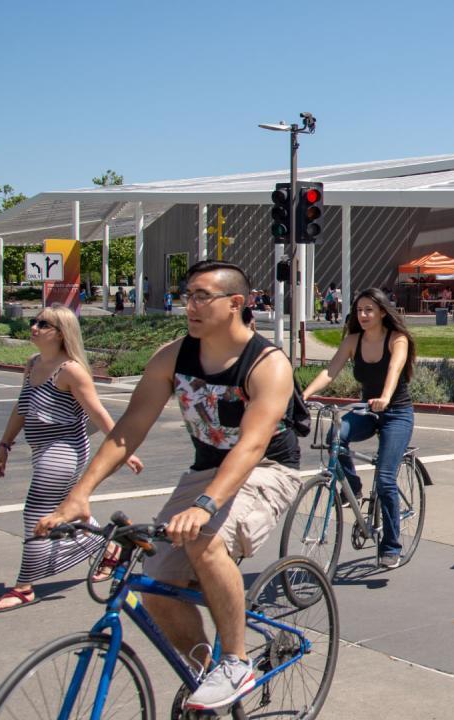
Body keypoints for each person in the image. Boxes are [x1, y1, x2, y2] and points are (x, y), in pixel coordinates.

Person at [36, 261, 303, 712]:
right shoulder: (173, 357)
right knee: (155, 580)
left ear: (236, 303)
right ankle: (205, 670)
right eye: (188, 296)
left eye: (202, 296)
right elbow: (129, 429)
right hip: (205, 471)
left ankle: (236, 663)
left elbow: (253, 445)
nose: (190, 306)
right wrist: (79, 494)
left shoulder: (267, 363)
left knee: (203, 538)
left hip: (266, 470)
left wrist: (204, 505)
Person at [0, 307, 144, 613]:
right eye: (34, 321)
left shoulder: (70, 371)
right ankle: (110, 547)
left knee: (36, 514)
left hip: (64, 450)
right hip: (40, 449)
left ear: (60, 333)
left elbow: (98, 413)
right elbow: (22, 407)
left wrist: (124, 450)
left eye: (42, 323)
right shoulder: (32, 364)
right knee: (65, 511)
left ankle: (23, 588)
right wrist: (5, 445)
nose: (34, 327)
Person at [302, 288, 416, 567]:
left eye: (369, 310)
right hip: (367, 410)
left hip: (396, 412)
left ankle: (391, 545)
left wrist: (386, 397)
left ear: (381, 312)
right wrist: (303, 396)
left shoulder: (396, 339)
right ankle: (351, 484)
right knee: (335, 436)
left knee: (386, 478)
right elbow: (331, 371)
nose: (363, 315)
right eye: (359, 310)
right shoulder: (353, 340)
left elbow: (395, 369)